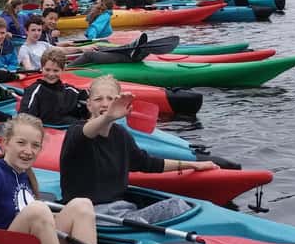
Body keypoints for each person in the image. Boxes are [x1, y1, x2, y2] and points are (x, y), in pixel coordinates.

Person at [59, 76, 218, 223]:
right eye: (98, 99)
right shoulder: (76, 133)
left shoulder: (121, 135)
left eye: (111, 99)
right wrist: (109, 117)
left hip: (121, 211)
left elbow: (147, 163)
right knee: (175, 206)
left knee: (182, 206)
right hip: (88, 216)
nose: (105, 104)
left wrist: (192, 164)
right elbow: (87, 133)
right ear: (89, 104)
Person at [0, 114, 98, 244]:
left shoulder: (25, 174)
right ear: (5, 143)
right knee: (38, 210)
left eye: (35, 145)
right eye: (21, 143)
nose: (28, 151)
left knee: (82, 205)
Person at [18, 48, 89, 126]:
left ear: (63, 70)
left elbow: (90, 101)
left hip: (72, 127)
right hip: (50, 132)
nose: (51, 74)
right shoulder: (34, 91)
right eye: (47, 70)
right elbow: (23, 118)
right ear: (42, 68)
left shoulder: (70, 91)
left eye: (56, 71)